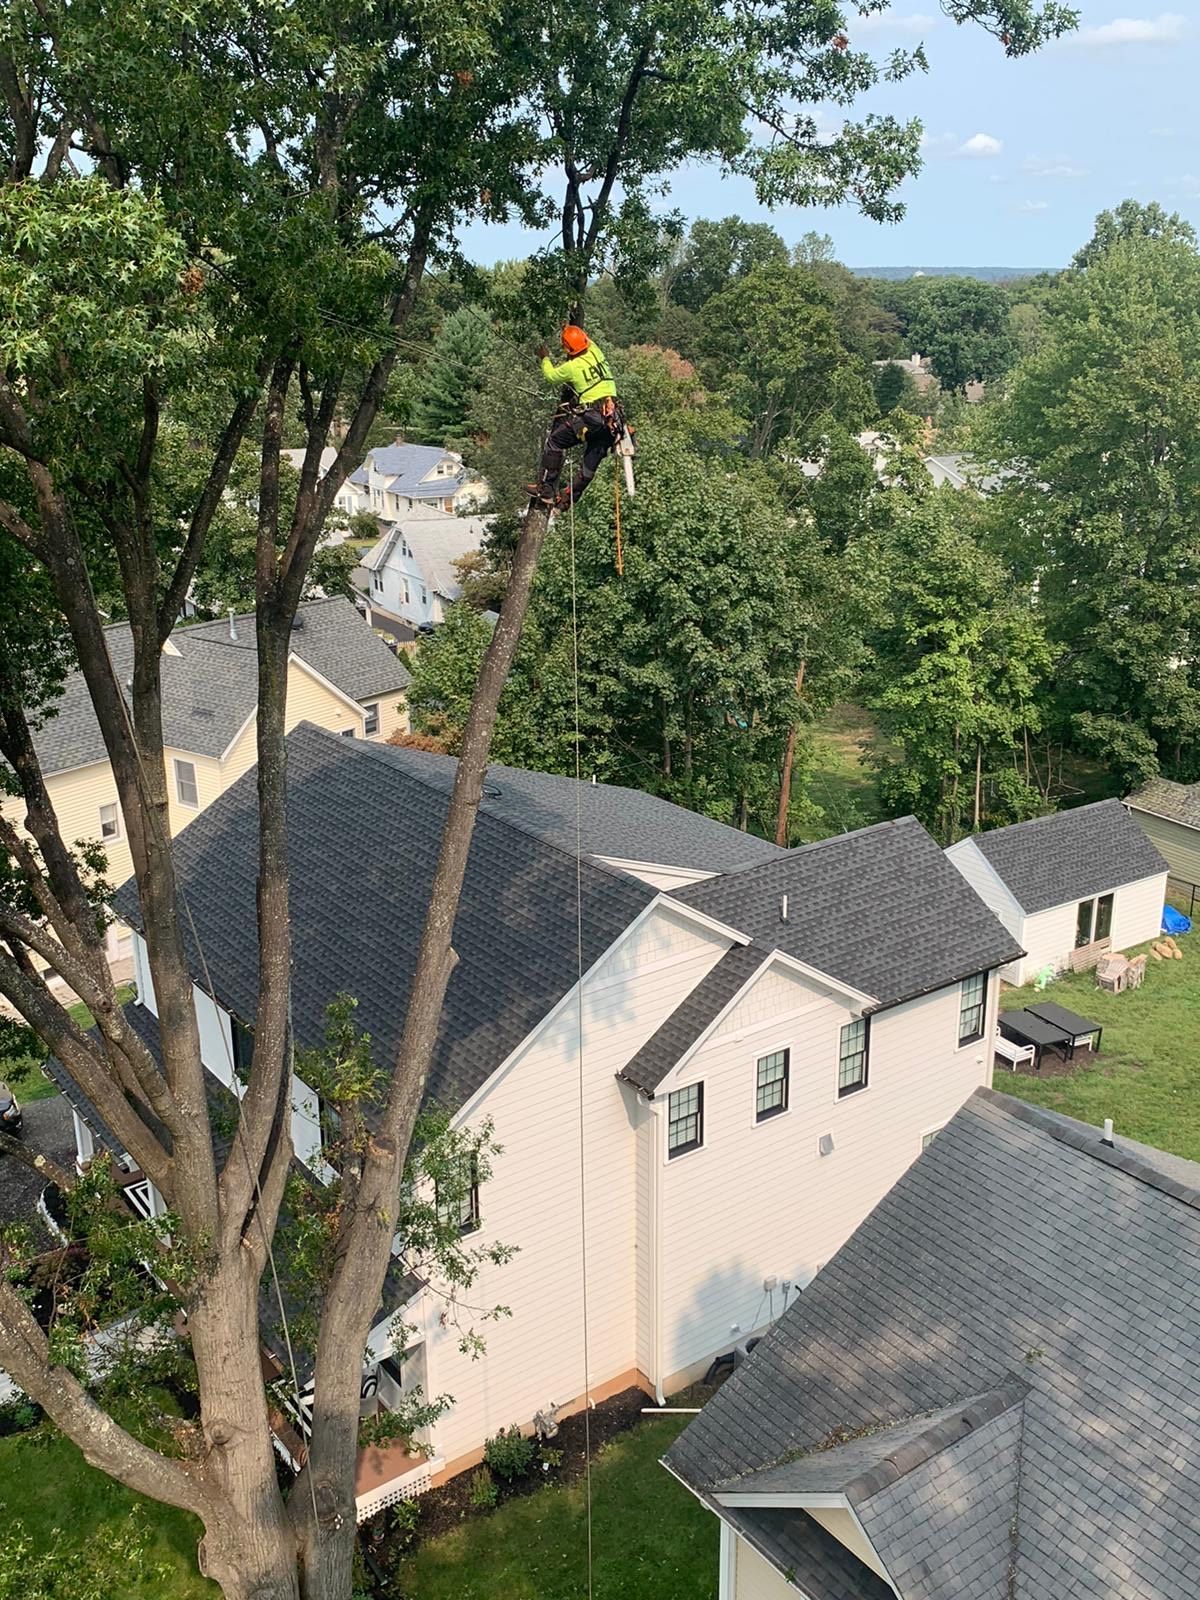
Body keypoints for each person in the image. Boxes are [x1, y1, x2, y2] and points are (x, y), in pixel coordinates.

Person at [527, 324, 624, 509]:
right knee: (590, 462)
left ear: (568, 350)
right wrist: (571, 330)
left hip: (592, 417)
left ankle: (546, 490)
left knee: (555, 442)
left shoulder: (571, 367)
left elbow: (550, 376)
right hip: (612, 419)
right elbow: (587, 340)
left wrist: (544, 357)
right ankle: (567, 500)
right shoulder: (596, 352)